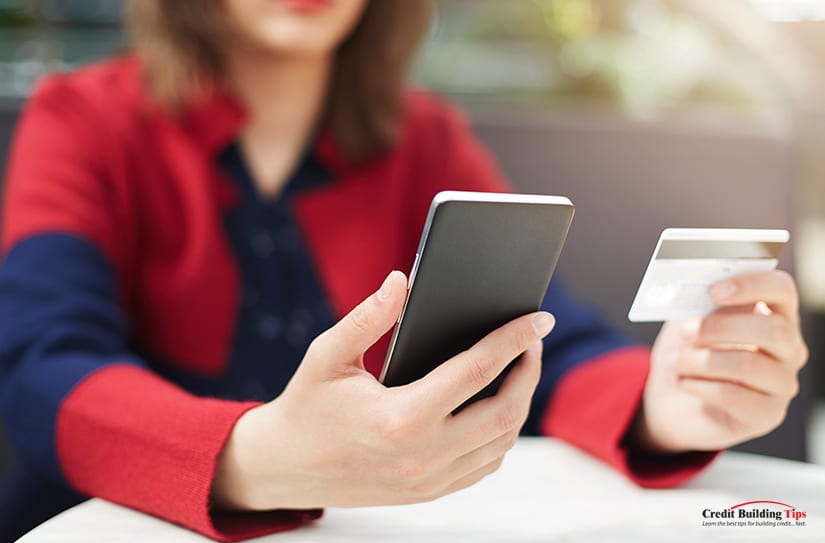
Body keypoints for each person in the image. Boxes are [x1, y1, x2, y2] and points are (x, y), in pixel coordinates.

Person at [0, 1, 808, 541]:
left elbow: (541, 340)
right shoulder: (83, 120)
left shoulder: (424, 139)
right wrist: (255, 455)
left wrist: (664, 403)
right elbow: (43, 366)